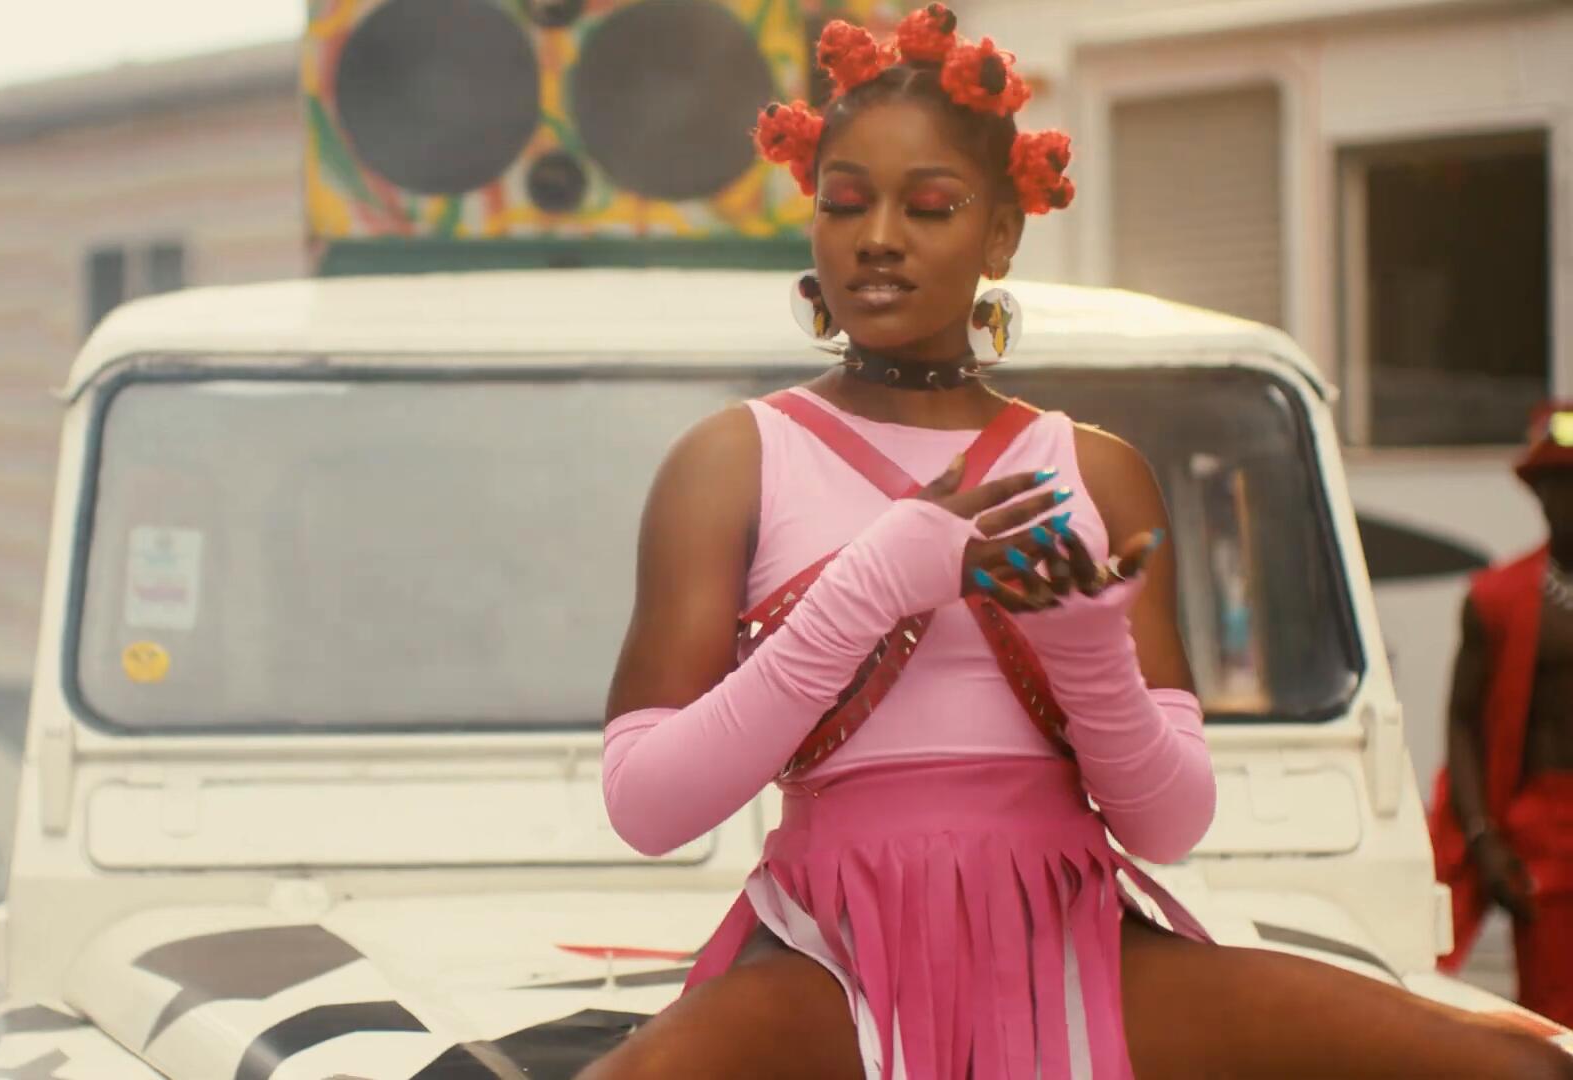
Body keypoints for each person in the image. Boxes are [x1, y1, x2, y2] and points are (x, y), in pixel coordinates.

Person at [585, 9, 1573, 1078]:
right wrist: (869, 586)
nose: (878, 237)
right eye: (845, 203)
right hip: (831, 958)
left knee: (1507, 1066)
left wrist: (1089, 651)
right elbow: (647, 807)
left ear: (1001, 236)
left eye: (930, 206)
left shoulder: (1096, 470)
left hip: (1074, 945)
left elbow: (1168, 826)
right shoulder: (734, 458)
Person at [1433, 403, 1573, 1028]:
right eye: (1561, 482)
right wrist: (1485, 840)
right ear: (1540, 494)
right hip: (1543, 833)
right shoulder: (1498, 599)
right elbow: (1463, 721)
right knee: (1554, 1017)